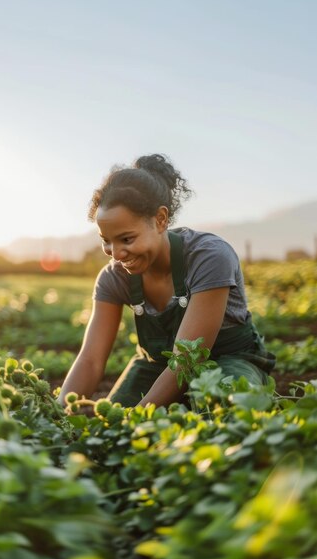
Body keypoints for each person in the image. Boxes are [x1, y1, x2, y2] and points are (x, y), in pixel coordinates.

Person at [58, 153, 275, 409]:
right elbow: (91, 360)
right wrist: (60, 410)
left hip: (228, 359)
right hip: (157, 366)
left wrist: (138, 417)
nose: (116, 254)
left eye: (126, 239)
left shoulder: (209, 257)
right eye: (106, 240)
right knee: (113, 426)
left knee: (224, 406)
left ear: (161, 220)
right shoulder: (113, 277)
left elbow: (187, 359)